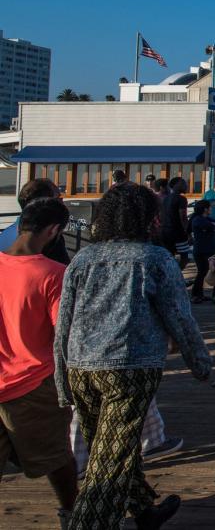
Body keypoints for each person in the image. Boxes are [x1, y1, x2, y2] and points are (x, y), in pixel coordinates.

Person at [54, 183, 211, 529]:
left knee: (108, 447)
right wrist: (200, 363)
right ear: (148, 219)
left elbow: (63, 322)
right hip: (130, 368)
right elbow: (179, 317)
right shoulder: (155, 259)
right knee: (109, 463)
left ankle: (143, 510)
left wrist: (61, 379)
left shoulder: (82, 259)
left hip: (81, 366)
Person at [0, 198, 77, 529]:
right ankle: (71, 514)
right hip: (34, 383)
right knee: (57, 458)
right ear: (54, 231)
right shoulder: (54, 274)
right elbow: (65, 335)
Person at [0, 178, 70, 265]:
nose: (62, 203)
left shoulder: (5, 234)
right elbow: (67, 275)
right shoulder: (48, 240)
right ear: (44, 203)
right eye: (59, 198)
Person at [189, 200, 215, 303]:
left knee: (208, 272)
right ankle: (196, 295)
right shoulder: (197, 219)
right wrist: (213, 225)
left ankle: (206, 295)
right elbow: (212, 226)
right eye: (210, 207)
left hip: (209, 249)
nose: (211, 209)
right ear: (205, 209)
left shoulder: (206, 218)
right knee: (202, 272)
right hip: (202, 250)